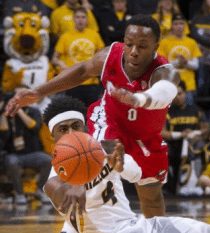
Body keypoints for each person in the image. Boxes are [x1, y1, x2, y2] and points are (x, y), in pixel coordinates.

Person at [37, 95, 210, 233]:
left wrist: (121, 162)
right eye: (63, 129)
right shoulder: (53, 182)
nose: (72, 133)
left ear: (85, 127)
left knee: (205, 231)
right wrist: (76, 185)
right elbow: (60, 193)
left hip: (138, 226)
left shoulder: (104, 149)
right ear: (53, 136)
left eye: (76, 126)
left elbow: (137, 175)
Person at [5, 15, 181, 218]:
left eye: (142, 46)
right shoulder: (110, 56)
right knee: (90, 162)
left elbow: (165, 91)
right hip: (109, 122)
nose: (133, 52)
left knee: (152, 196)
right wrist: (39, 92)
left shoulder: (163, 70)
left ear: (155, 46)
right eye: (129, 44)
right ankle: (72, 209)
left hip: (146, 137)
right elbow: (81, 71)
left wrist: (139, 100)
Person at [52, 7, 105, 106]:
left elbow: (102, 56)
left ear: (87, 20)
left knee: (91, 115)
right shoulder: (65, 36)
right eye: (77, 17)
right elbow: (54, 58)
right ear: (73, 19)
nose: (80, 20)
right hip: (72, 82)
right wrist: (60, 63)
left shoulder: (95, 35)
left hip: (91, 82)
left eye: (83, 17)